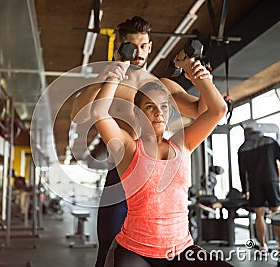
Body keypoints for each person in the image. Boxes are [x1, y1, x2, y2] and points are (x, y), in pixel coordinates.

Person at [70, 16, 210, 267]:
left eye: (144, 46)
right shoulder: (111, 85)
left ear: (150, 47)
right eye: (132, 46)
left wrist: (197, 74)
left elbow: (201, 110)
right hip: (124, 170)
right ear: (120, 48)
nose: (139, 52)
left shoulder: (161, 86)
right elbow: (76, 114)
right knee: (108, 246)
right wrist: (106, 76)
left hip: (156, 173)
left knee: (160, 249)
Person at [238, 127, 280, 256]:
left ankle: (262, 246)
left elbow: (242, 172)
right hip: (271, 180)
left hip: (254, 184)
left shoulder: (243, 148)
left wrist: (245, 189)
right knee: (276, 213)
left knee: (259, 215)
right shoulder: (270, 141)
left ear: (246, 134)